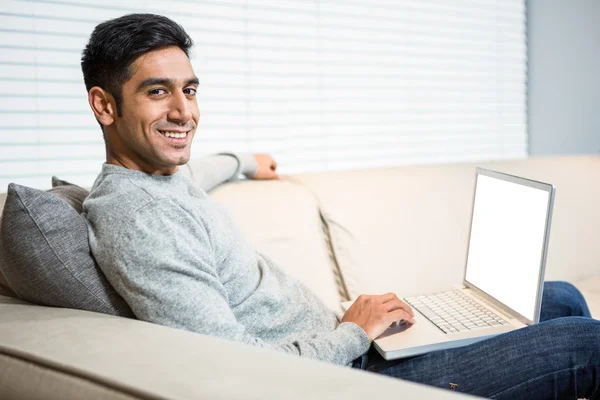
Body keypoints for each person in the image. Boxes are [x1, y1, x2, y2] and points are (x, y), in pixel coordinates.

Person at [81, 13, 599, 399]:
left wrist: (244, 160)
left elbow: (196, 168)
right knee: (585, 341)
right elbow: (234, 367)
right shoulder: (140, 219)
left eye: (190, 90)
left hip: (348, 348)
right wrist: (353, 331)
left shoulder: (160, 177)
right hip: (343, 380)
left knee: (557, 297)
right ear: (104, 104)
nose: (184, 112)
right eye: (158, 92)